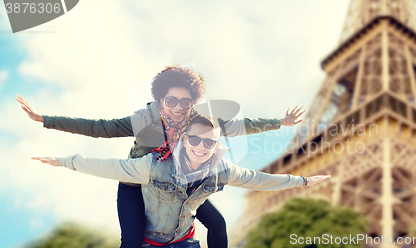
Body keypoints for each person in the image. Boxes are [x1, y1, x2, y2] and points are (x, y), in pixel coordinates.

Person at [16, 66, 305, 248]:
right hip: (140, 179)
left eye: (186, 101)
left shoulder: (201, 121)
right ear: (160, 99)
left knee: (217, 225)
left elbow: (242, 126)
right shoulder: (145, 119)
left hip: (178, 183)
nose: (179, 107)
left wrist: (280, 122)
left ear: (194, 100)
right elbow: (99, 128)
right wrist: (44, 118)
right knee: (131, 241)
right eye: (171, 100)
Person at [32, 115, 330, 248]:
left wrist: (302, 180)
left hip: (183, 241)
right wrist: (64, 160)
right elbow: (108, 163)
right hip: (145, 208)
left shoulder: (220, 169)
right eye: (195, 140)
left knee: (218, 223)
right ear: (183, 140)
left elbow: (258, 179)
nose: (202, 147)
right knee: (131, 241)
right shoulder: (153, 163)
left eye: (209, 143)